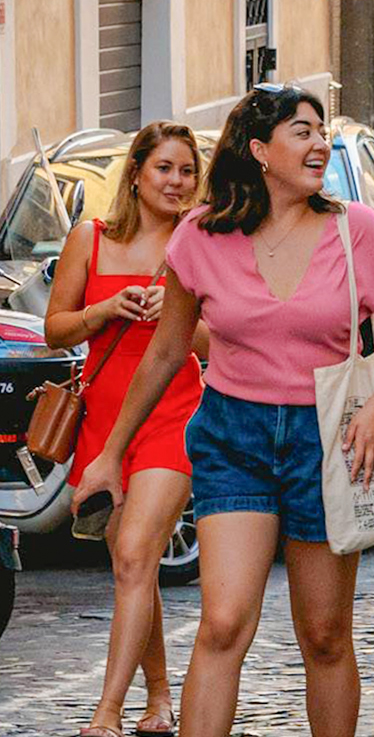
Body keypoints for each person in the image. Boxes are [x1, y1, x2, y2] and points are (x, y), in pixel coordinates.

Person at [73, 85, 374, 737]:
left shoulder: (358, 230)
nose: (320, 143)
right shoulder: (200, 236)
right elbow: (164, 355)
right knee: (222, 624)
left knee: (324, 636)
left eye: (322, 131)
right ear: (260, 150)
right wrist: (108, 453)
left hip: (327, 440)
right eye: (303, 131)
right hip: (232, 433)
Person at [46, 123, 207, 737]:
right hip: (102, 422)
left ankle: (107, 712)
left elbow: (222, 341)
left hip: (174, 414)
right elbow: (55, 329)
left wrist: (178, 317)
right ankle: (160, 698)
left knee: (138, 554)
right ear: (137, 173)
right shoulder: (90, 238)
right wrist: (104, 311)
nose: (176, 182)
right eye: (165, 168)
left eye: (187, 171)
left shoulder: (199, 244)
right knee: (131, 568)